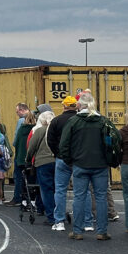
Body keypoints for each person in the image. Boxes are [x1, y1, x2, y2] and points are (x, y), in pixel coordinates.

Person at [59, 90, 121, 241]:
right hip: (100, 165)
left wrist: (70, 161)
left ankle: (77, 231)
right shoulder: (103, 121)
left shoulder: (74, 122)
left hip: (80, 164)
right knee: (101, 197)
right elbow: (115, 139)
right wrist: (110, 159)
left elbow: (64, 144)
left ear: (79, 105)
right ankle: (102, 231)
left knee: (79, 197)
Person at [48, 95, 80, 230]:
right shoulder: (80, 120)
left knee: (60, 190)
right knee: (81, 191)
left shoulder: (56, 121)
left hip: (61, 159)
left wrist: (58, 153)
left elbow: (50, 140)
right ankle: (84, 220)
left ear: (64, 106)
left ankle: (59, 221)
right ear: (75, 106)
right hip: (78, 159)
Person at [26, 110, 57, 226]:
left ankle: (51, 216)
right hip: (57, 162)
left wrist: (28, 160)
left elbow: (31, 148)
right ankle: (59, 214)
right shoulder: (58, 131)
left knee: (46, 189)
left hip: (43, 162)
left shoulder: (39, 131)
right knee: (57, 189)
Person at [8, 110, 36, 206]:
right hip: (32, 159)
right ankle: (32, 200)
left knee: (19, 178)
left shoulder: (21, 129)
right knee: (32, 180)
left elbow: (15, 143)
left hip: (21, 157)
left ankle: (20, 198)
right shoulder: (36, 129)